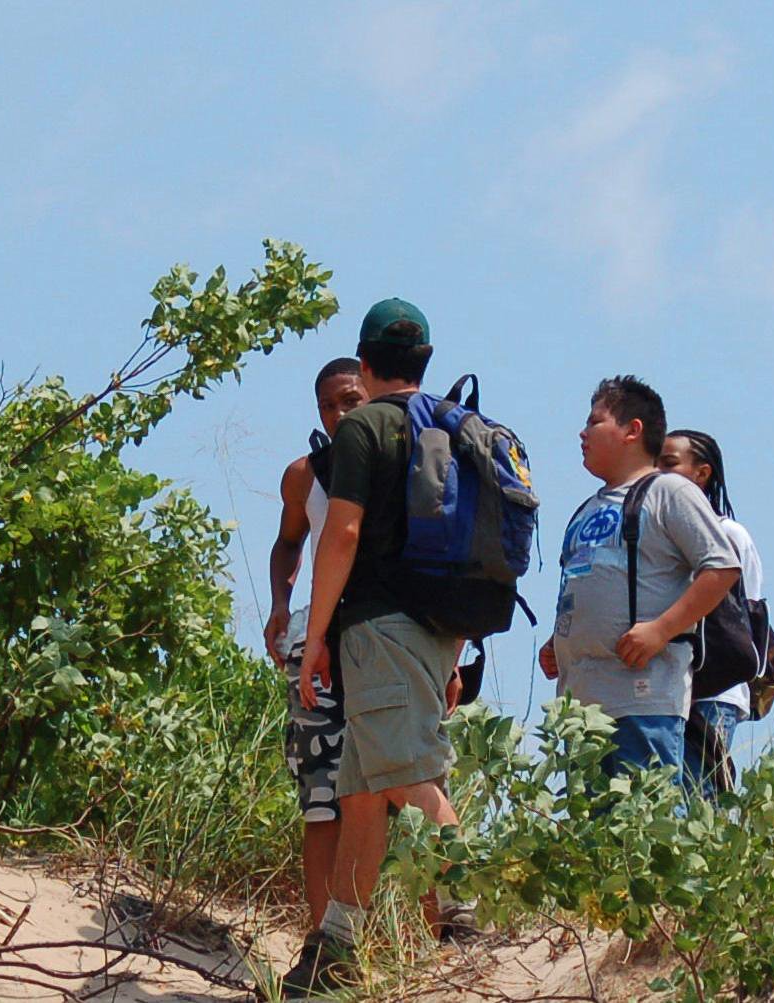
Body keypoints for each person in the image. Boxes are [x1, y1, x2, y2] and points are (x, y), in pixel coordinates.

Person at [287, 299, 474, 995]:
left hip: (377, 625)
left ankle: (464, 913)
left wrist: (315, 640)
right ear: (426, 360)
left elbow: (341, 536)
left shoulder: (364, 426)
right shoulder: (454, 427)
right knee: (362, 794)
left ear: (365, 364)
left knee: (404, 775)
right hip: (437, 627)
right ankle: (331, 955)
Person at [539, 376, 741, 786]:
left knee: (646, 830)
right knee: (592, 841)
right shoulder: (586, 508)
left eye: (595, 422)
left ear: (633, 430)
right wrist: (559, 641)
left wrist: (661, 630)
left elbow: (721, 567)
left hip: (642, 701)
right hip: (579, 708)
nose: (582, 432)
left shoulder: (669, 491)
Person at [262, 357, 365, 953]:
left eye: (351, 399)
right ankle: (321, 942)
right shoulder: (306, 474)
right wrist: (281, 603)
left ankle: (448, 932)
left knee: (409, 779)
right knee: (320, 798)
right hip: (316, 648)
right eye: (330, 405)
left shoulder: (400, 460)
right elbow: (287, 541)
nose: (341, 413)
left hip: (383, 641)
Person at [658, 429, 770, 798]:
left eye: (670, 463)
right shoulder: (658, 534)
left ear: (701, 474)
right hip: (667, 684)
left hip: (715, 689)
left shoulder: (729, 533)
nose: (658, 471)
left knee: (702, 796)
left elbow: (750, 612)